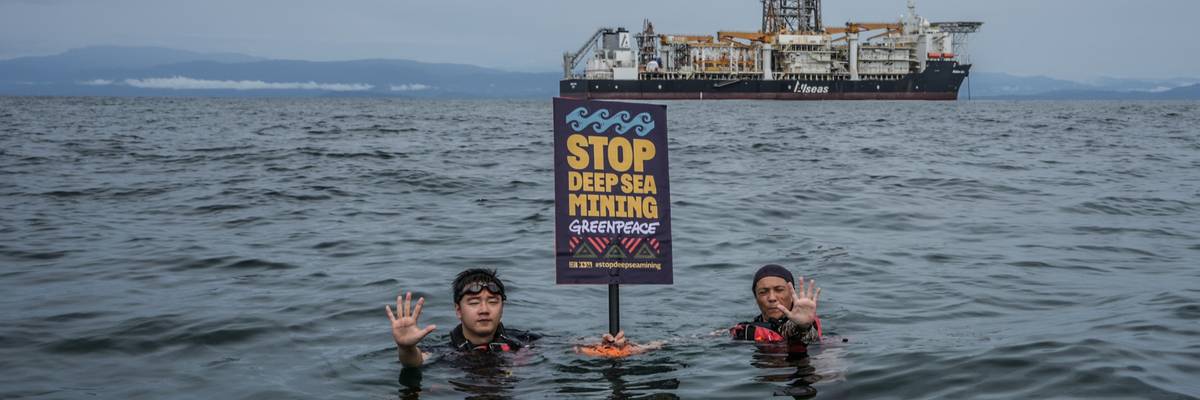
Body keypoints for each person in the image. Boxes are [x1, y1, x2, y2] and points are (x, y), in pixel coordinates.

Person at [386, 268, 540, 367]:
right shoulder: (446, 352)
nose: (484, 310)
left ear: (502, 308)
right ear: (458, 310)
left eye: (493, 302)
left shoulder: (525, 342)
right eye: (474, 302)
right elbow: (415, 361)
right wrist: (406, 348)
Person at [730, 264, 822, 353]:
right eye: (763, 292)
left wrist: (803, 327)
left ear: (791, 294)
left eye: (779, 290)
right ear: (756, 298)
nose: (772, 298)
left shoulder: (806, 322)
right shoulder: (746, 331)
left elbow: (801, 335)